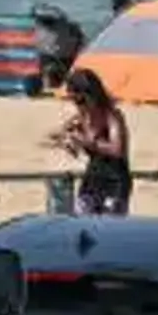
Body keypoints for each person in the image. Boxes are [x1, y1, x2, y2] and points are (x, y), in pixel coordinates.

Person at [48, 69, 131, 215]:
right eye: (73, 100)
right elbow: (53, 135)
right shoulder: (81, 117)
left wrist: (87, 142)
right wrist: (68, 141)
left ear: (92, 95)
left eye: (80, 100)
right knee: (83, 221)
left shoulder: (111, 116)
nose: (77, 104)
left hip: (115, 181)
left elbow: (117, 149)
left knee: (109, 228)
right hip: (93, 178)